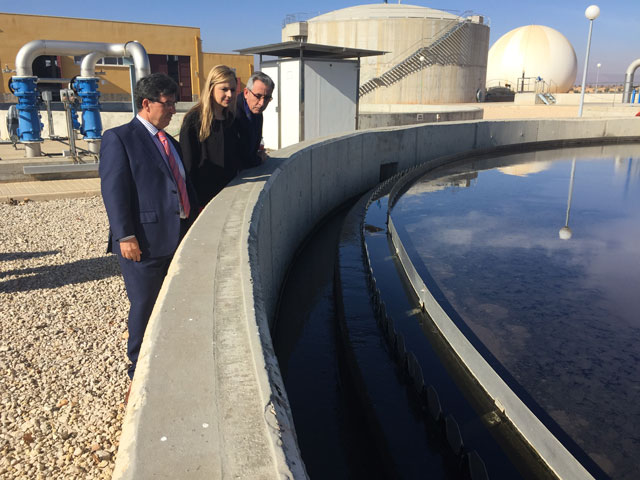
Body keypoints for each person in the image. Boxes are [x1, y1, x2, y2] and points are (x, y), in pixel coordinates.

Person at [99, 73, 198, 382]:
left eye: (174, 104)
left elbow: (182, 185)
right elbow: (114, 191)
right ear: (146, 103)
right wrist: (125, 235)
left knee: (171, 302)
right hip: (143, 241)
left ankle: (166, 354)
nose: (173, 111)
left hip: (177, 236)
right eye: (168, 104)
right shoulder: (120, 138)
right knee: (144, 305)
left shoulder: (170, 142)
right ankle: (138, 369)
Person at [180, 65, 256, 206]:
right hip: (203, 199)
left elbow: (238, 157)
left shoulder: (231, 119)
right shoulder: (194, 119)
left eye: (232, 90)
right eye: (224, 89)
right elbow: (188, 165)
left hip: (229, 194)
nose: (230, 95)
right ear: (211, 88)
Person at [235, 71, 275, 165]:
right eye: (258, 96)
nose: (262, 103)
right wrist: (259, 159)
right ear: (246, 93)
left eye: (267, 98)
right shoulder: (233, 114)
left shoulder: (256, 111)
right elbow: (236, 157)